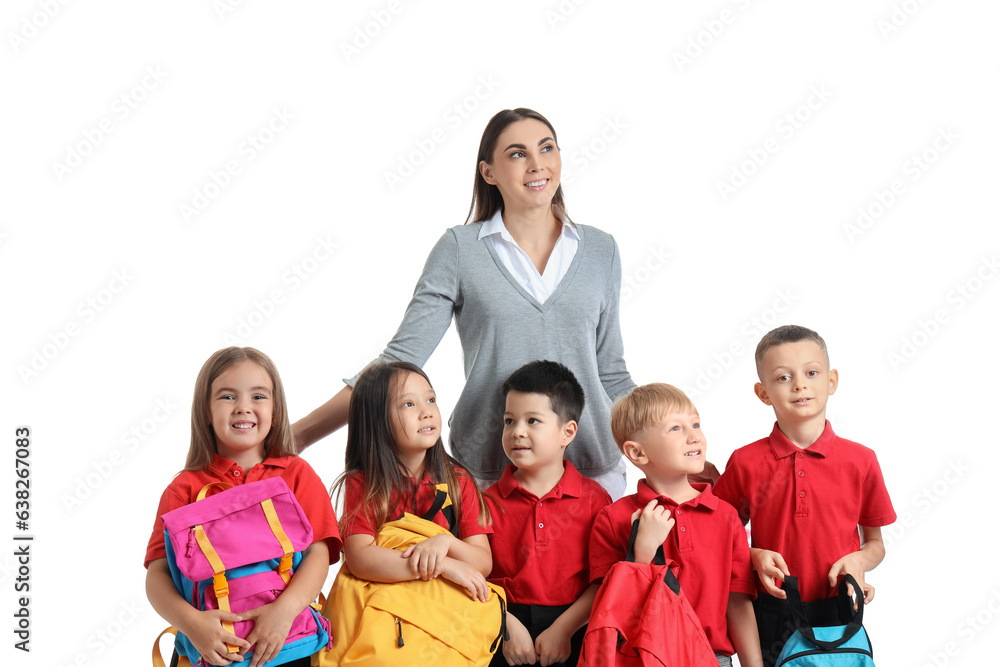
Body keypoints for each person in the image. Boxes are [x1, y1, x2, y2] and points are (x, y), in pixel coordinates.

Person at [294, 108, 636, 499]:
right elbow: (397, 362)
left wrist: (668, 440)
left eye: (546, 148)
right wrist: (300, 435)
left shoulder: (600, 249)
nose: (537, 164)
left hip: (592, 466)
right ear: (488, 172)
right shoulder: (459, 251)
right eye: (517, 153)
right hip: (491, 472)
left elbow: (611, 372)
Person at [144, 347, 341, 667]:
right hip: (210, 650)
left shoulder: (296, 474)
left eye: (259, 397)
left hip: (285, 644)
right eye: (227, 397)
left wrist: (284, 611)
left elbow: (319, 553)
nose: (243, 408)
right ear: (205, 411)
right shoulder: (183, 488)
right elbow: (158, 575)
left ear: (276, 410)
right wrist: (193, 626)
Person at [713, 325, 896, 666]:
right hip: (772, 609)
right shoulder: (745, 461)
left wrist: (858, 561)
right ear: (763, 392)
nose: (800, 384)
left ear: (831, 381)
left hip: (840, 608)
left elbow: (875, 544)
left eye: (812, 373)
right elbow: (718, 534)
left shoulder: (861, 460)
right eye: (783, 377)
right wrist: (752, 554)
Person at [589, 383, 763, 667]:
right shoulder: (613, 518)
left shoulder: (726, 516)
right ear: (637, 453)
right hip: (644, 659)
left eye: (695, 424)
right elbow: (609, 608)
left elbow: (738, 602)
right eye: (676, 428)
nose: (694, 436)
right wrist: (642, 550)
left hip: (714, 657)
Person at [331, 361, 493, 601]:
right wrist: (443, 566)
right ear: (377, 420)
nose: (426, 412)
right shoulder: (364, 484)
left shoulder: (458, 482)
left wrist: (445, 543)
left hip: (447, 608)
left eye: (430, 400)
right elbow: (360, 559)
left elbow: (483, 562)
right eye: (408, 404)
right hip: (391, 610)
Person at [485, 361, 610, 666]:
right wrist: (506, 626)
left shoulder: (595, 499)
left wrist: (564, 630)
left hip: (574, 627)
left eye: (533, 421)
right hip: (501, 627)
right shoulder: (484, 502)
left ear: (567, 432)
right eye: (509, 420)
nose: (517, 432)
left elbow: (604, 579)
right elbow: (474, 577)